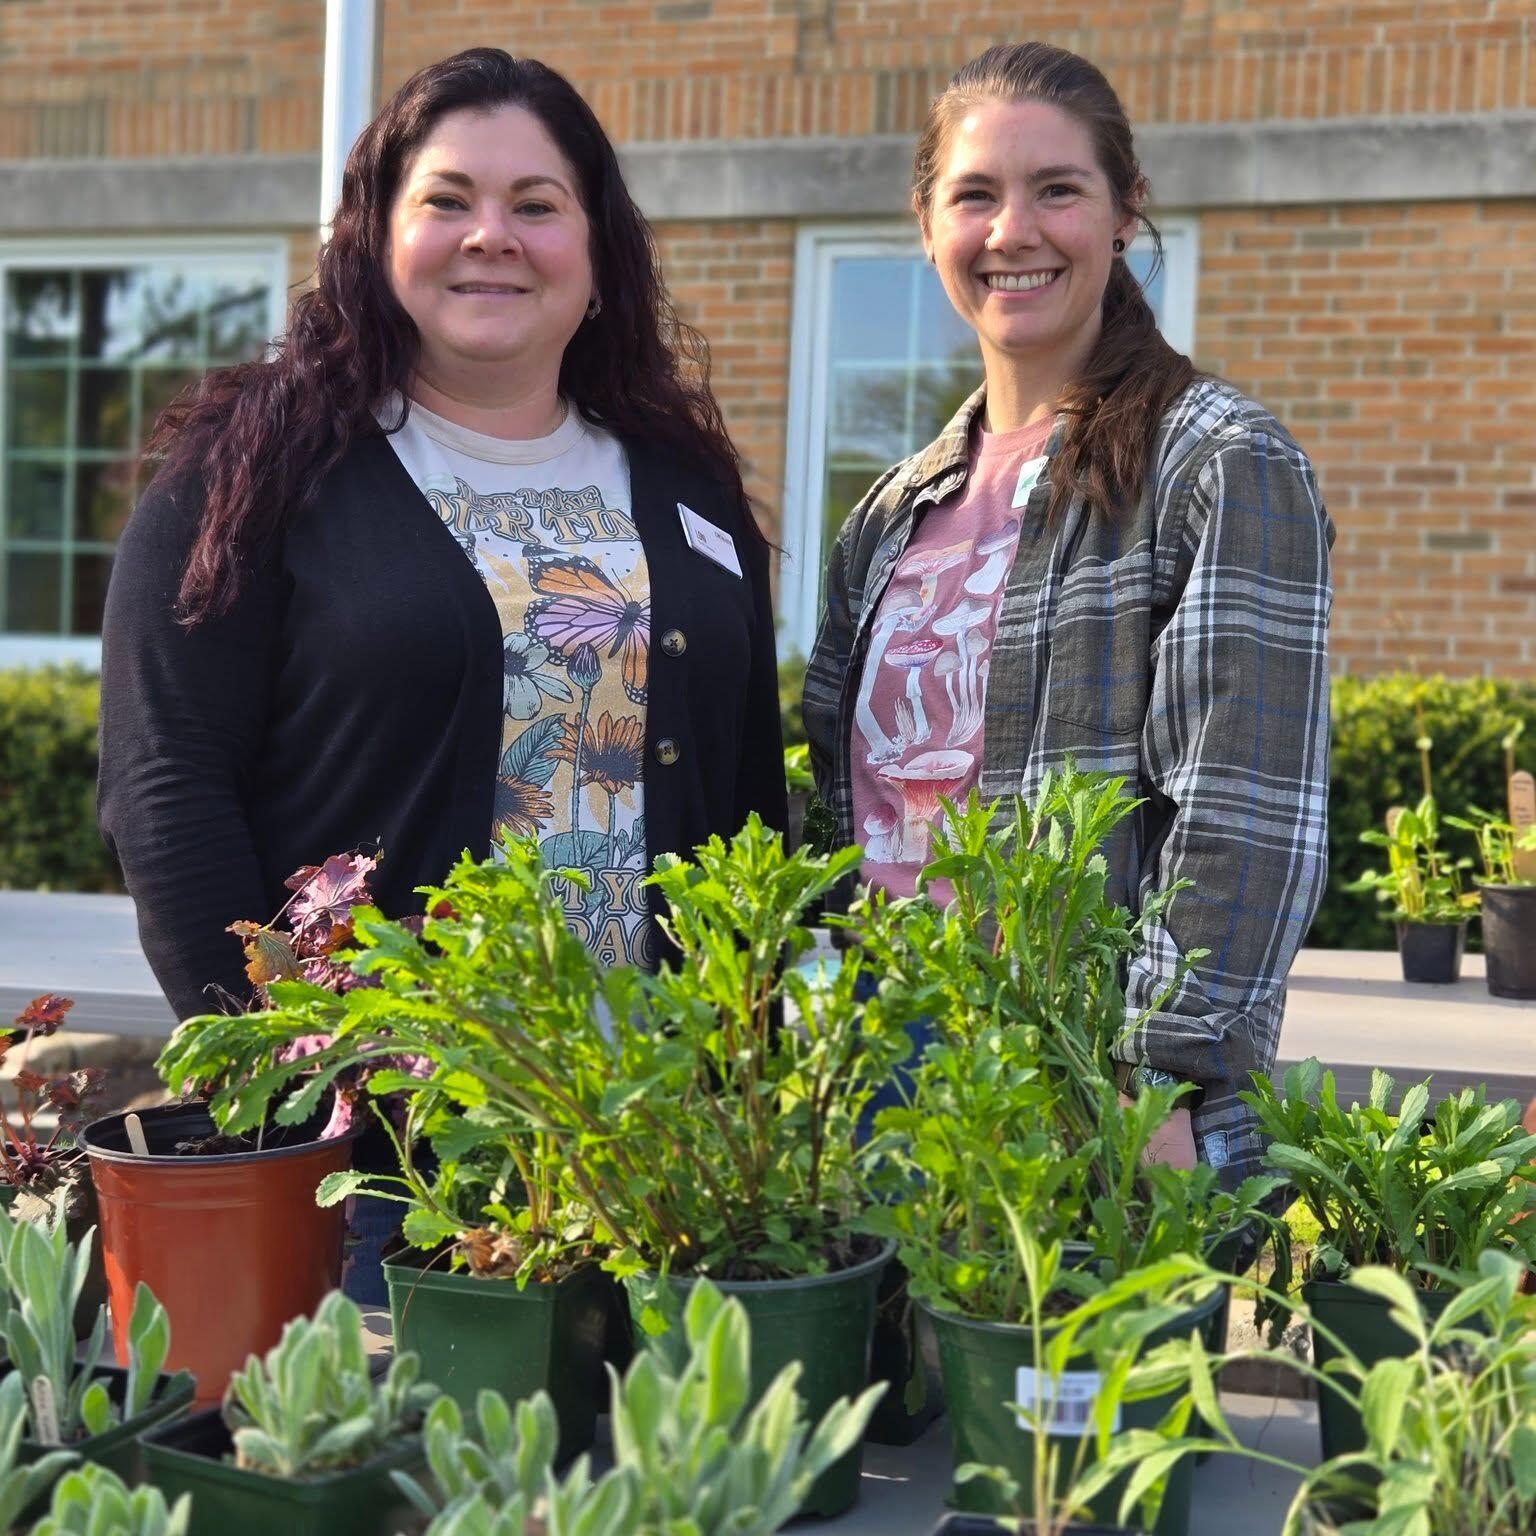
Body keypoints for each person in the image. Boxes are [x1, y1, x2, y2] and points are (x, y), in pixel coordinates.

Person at [100, 48, 784, 1017]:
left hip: (657, 1127)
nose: (491, 236)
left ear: (599, 259)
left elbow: (750, 803)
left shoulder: (693, 493)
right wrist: (279, 1079)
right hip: (382, 1132)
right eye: (448, 201)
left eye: (537, 206)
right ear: (377, 241)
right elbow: (166, 790)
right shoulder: (250, 474)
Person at [803, 42, 1333, 1185]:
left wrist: (1157, 1084)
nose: (1014, 230)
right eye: (976, 195)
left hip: (1088, 1079)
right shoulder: (891, 513)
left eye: (1058, 189)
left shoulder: (1218, 463)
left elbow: (1243, 816)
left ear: (1125, 211)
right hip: (880, 1069)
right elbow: (838, 811)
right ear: (927, 222)